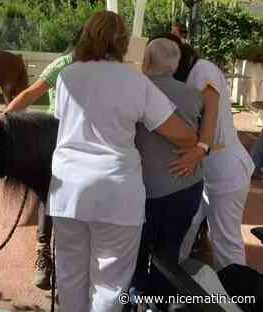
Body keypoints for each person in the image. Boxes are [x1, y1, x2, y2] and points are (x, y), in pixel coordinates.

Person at [47, 11, 198, 312]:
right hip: (117, 194)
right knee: (110, 285)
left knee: (69, 279)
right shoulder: (135, 80)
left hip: (67, 193)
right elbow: (182, 135)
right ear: (123, 42)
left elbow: (63, 121)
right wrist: (199, 144)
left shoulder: (66, 76)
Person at [163, 36, 255, 271]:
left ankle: (238, 299)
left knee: (225, 240)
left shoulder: (203, 71)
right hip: (206, 171)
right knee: (185, 227)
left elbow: (209, 117)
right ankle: (174, 284)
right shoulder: (190, 73)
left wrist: (199, 148)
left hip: (225, 170)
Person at [4, 28, 83, 290]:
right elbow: (29, 94)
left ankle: (75, 260)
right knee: (50, 191)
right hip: (56, 135)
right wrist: (2, 120)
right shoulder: (63, 64)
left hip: (86, 141)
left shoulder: (104, 68)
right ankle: (43, 253)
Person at [133, 38, 205, 296]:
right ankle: (161, 301)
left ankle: (137, 299)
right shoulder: (194, 95)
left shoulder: (134, 89)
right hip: (186, 187)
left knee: (136, 256)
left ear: (146, 61)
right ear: (174, 66)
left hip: (142, 190)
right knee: (169, 254)